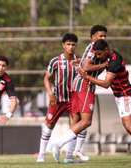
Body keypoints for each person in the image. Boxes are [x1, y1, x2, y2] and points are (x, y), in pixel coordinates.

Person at [51, 25, 108, 162]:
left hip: (77, 86)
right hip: (85, 86)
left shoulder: (92, 47)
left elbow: (84, 63)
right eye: (100, 36)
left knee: (76, 122)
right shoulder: (94, 47)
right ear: (93, 36)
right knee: (86, 121)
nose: (103, 38)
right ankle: (58, 144)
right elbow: (87, 67)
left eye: (105, 36)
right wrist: (104, 65)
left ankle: (69, 156)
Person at [79, 39, 131, 153]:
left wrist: (86, 77)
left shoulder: (114, 62)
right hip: (121, 96)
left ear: (106, 50)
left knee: (130, 126)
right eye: (96, 54)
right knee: (130, 127)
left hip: (125, 95)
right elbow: (87, 66)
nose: (97, 56)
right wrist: (79, 61)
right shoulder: (108, 56)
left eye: (99, 54)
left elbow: (106, 84)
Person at [36, 33, 79, 163]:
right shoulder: (55, 61)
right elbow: (46, 78)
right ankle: (41, 155)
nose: (71, 47)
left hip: (73, 99)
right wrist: (50, 93)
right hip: (58, 99)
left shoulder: (79, 61)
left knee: (74, 126)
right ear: (63, 45)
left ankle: (69, 156)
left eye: (73, 44)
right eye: (68, 44)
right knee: (48, 125)